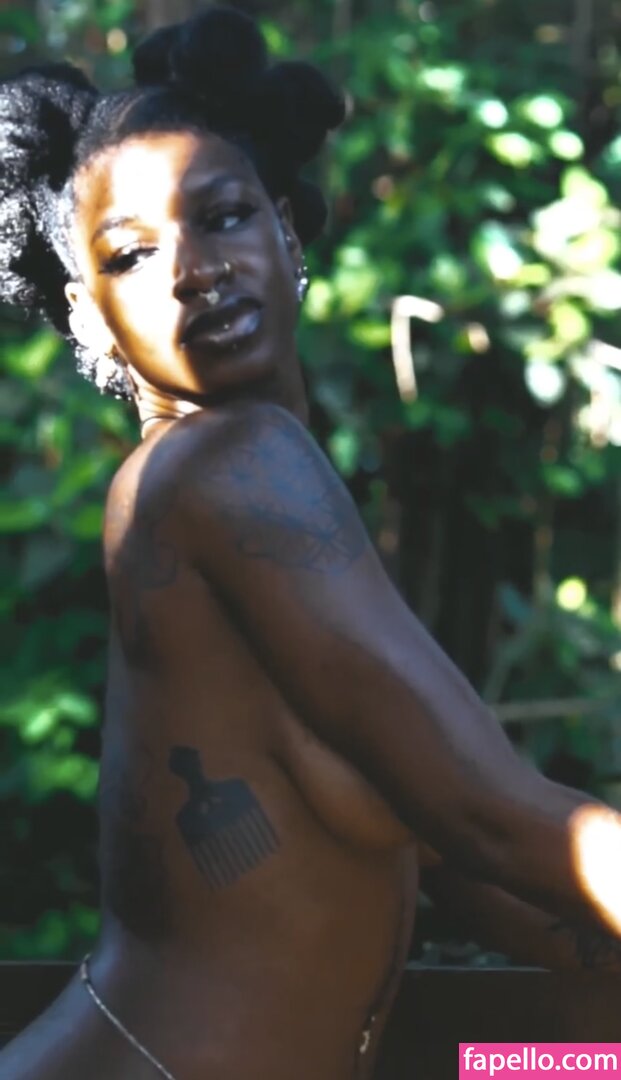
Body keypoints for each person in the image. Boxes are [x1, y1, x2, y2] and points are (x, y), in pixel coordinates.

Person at [0, 8, 619, 1079]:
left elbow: (464, 860)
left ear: (285, 231)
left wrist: (573, 1036)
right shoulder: (224, 468)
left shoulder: (252, 483)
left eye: (223, 216)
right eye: (134, 255)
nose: (195, 269)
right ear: (87, 313)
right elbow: (500, 819)